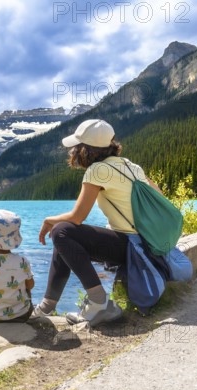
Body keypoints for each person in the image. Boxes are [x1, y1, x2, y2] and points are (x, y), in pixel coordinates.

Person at [32, 119, 162, 326]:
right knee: (66, 234)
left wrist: (48, 220)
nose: (73, 151)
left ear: (84, 149)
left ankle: (99, 302)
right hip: (147, 244)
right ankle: (47, 306)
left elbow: (77, 217)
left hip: (132, 248)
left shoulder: (97, 171)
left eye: (76, 146)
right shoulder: (131, 166)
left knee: (62, 231)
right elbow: (160, 196)